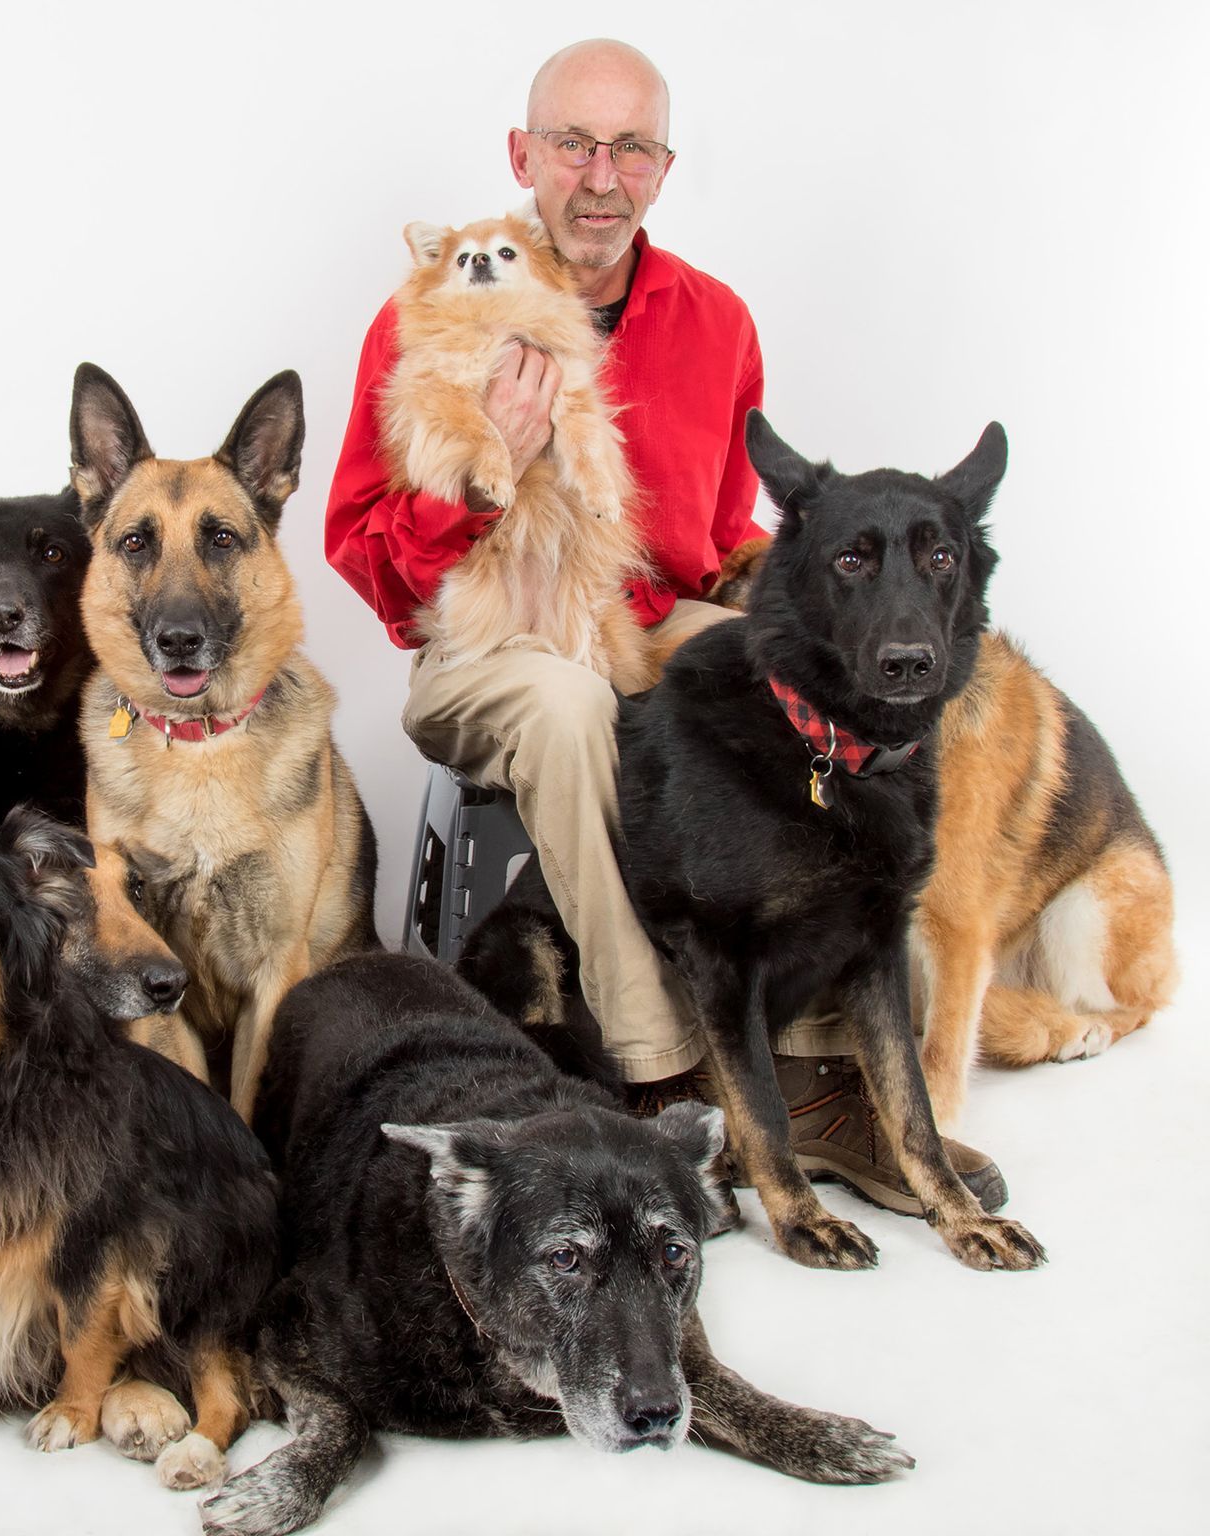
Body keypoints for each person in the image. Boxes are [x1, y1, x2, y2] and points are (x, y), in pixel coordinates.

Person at [324, 40, 1002, 1212]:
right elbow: (364, 558)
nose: (600, 175)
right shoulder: (432, 318)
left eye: (630, 148)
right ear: (522, 155)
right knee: (573, 702)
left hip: (641, 621)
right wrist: (492, 477)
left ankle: (831, 1067)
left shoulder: (716, 323)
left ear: (662, 168)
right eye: (575, 144)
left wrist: (785, 612)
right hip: (493, 645)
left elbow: (714, 536)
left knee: (839, 692)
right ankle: (663, 1073)